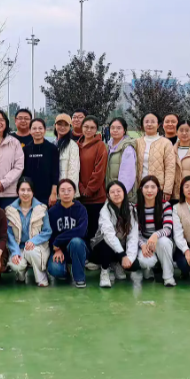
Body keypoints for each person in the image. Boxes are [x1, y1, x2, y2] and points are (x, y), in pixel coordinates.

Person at [90, 181, 140, 288]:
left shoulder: (132, 209)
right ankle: (104, 271)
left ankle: (117, 264)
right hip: (102, 245)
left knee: (134, 265)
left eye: (118, 191)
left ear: (124, 193)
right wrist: (122, 255)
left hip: (121, 244)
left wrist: (129, 258)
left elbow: (133, 236)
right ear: (108, 195)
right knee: (106, 245)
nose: (116, 194)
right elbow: (109, 236)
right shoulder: (105, 210)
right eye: (112, 192)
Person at [6, 177, 52, 287]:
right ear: (17, 191)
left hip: (37, 247)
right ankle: (20, 273)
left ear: (33, 192)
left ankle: (41, 277)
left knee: (31, 251)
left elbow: (47, 231)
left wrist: (33, 241)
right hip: (18, 247)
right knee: (17, 264)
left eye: (28, 190)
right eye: (22, 190)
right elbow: (9, 235)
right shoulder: (9, 211)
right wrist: (15, 252)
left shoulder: (42, 209)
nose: (25, 193)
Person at [77, 115, 108, 268]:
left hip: (96, 197)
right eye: (86, 127)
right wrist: (80, 188)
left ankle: (96, 259)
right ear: (81, 128)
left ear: (96, 129)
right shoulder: (76, 145)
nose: (88, 130)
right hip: (80, 196)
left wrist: (89, 189)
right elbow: (74, 169)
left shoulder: (100, 146)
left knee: (96, 230)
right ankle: (84, 256)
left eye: (92, 127)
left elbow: (99, 171)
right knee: (83, 229)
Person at [47, 179, 88, 287]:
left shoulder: (81, 209)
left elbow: (81, 231)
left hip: (77, 248)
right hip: (58, 249)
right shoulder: (52, 212)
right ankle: (67, 269)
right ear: (58, 193)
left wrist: (58, 241)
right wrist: (56, 248)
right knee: (55, 270)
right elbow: (49, 234)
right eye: (62, 190)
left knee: (76, 241)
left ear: (74, 192)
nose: (66, 193)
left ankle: (79, 277)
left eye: (69, 190)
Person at [136, 176, 175, 287]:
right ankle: (148, 270)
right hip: (144, 241)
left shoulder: (165, 205)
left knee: (164, 242)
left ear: (158, 189)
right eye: (146, 187)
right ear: (141, 189)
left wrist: (155, 235)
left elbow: (168, 228)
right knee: (146, 262)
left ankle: (168, 277)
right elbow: (135, 233)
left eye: (153, 187)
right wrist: (143, 245)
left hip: (161, 240)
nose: (149, 190)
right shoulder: (136, 208)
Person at [136, 113, 176, 202]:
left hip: (158, 188)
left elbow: (170, 168)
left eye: (153, 122)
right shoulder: (136, 142)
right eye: (146, 122)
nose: (149, 124)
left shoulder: (166, 143)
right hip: (140, 187)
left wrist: (167, 190)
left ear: (158, 125)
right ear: (142, 125)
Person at [23, 118, 59, 206]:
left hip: (47, 195)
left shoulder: (52, 148)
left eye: (40, 128)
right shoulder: (26, 149)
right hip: (29, 193)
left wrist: (54, 193)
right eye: (34, 128)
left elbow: (55, 172)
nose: (37, 131)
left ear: (45, 130)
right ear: (30, 131)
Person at [105, 117, 138, 203]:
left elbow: (127, 175)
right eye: (112, 128)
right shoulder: (108, 146)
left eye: (119, 128)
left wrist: (119, 194)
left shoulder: (127, 148)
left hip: (123, 195)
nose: (115, 130)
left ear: (124, 130)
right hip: (110, 192)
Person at [54, 113, 80, 197]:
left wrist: (67, 191)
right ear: (55, 125)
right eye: (59, 124)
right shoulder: (52, 144)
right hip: (52, 192)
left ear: (70, 127)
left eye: (66, 125)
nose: (62, 127)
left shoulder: (72, 145)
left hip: (65, 193)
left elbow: (74, 172)